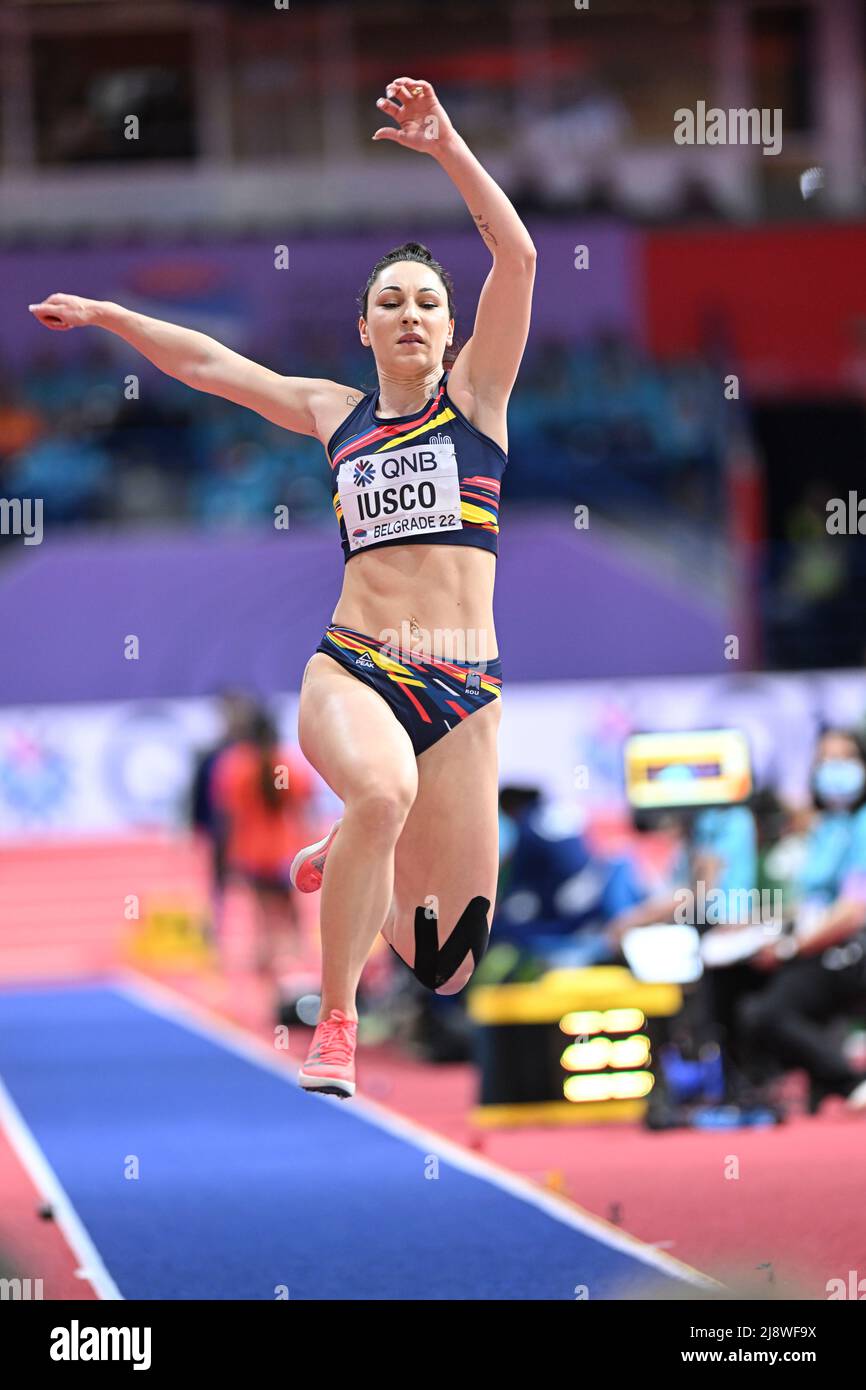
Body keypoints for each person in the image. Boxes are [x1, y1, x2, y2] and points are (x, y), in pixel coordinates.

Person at [30, 76, 536, 1099]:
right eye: (388, 300)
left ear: (449, 331)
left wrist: (444, 147)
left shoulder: (479, 402)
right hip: (353, 666)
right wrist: (111, 314)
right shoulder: (332, 412)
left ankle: (346, 837)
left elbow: (515, 255)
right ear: (362, 329)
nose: (408, 313)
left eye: (426, 302)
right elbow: (212, 364)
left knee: (447, 961)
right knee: (382, 788)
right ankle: (337, 1023)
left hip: (464, 688)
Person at [736, 727, 866, 1112]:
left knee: (767, 1013)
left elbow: (853, 908)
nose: (834, 768)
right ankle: (752, 1086)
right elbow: (809, 901)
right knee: (738, 986)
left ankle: (847, 1080)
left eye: (845, 758)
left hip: (851, 946)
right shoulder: (826, 827)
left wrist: (792, 948)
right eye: (825, 760)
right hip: (822, 943)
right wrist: (754, 922)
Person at [211, 708, 315, 994]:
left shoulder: (235, 766)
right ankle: (295, 952)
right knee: (289, 904)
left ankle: (267, 953)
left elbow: (228, 813)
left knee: (261, 908)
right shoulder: (289, 764)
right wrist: (308, 842)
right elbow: (304, 806)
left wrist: (226, 854)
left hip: (251, 850)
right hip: (284, 849)